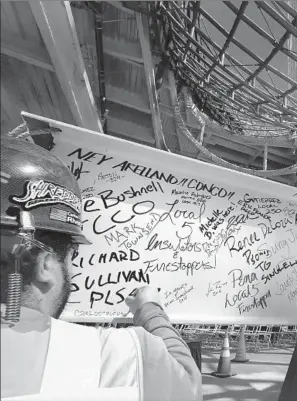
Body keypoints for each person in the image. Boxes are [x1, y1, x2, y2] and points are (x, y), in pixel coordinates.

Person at [0, 138, 202, 401]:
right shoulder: (122, 355)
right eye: (72, 255)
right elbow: (188, 386)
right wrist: (150, 309)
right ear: (46, 265)